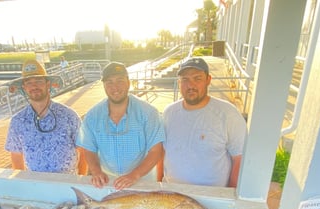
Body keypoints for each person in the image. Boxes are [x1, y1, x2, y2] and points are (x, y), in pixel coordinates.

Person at [77, 62, 165, 190]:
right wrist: (96, 172)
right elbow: (89, 149)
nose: (115, 87)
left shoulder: (149, 113)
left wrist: (134, 175)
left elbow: (156, 151)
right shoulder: (92, 115)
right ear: (104, 86)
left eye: (120, 81)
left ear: (129, 83)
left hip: (141, 181)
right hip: (107, 182)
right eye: (109, 82)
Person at [160, 57, 247, 187]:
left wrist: (229, 195)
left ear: (208, 80)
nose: (191, 85)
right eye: (185, 80)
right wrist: (158, 185)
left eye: (197, 78)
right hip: (172, 195)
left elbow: (239, 158)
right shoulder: (168, 113)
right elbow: (161, 152)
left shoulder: (228, 114)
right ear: (179, 83)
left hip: (212, 196)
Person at [5, 59, 84, 174]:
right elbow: (16, 156)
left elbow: (85, 150)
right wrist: (22, 186)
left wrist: (80, 181)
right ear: (24, 88)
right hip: (36, 185)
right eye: (29, 83)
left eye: (38, 81)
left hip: (67, 185)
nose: (34, 86)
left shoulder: (69, 116)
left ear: (48, 84)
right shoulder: (17, 121)